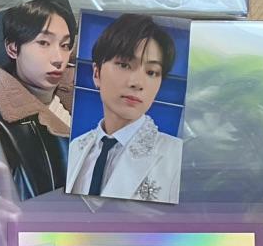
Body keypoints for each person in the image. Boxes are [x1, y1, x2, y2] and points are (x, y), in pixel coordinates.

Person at [66, 13, 183, 203]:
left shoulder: (177, 157)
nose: (138, 83)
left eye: (152, 72)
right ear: (96, 73)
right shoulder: (74, 148)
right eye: (124, 65)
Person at [0, 0, 77, 200]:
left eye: (65, 45)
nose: (58, 58)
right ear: (13, 48)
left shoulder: (94, 92)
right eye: (43, 43)